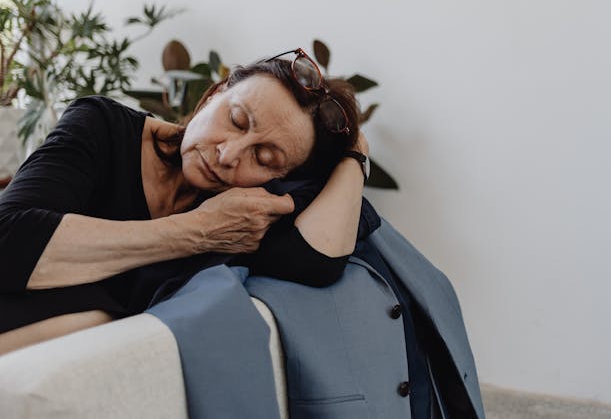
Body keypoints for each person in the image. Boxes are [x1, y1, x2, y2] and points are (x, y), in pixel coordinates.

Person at [0, 48, 369, 353]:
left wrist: (355, 158)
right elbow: (8, 240)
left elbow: (317, 260)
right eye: (237, 120)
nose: (228, 154)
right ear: (212, 96)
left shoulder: (248, 213)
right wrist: (199, 230)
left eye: (265, 158)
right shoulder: (100, 125)